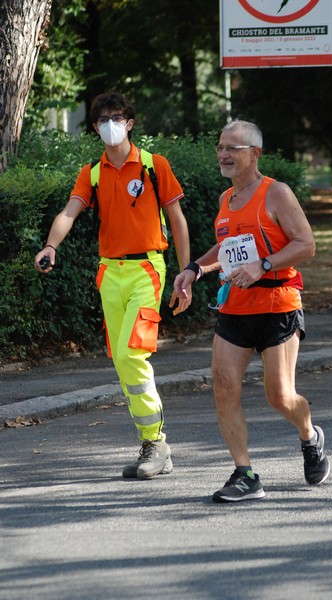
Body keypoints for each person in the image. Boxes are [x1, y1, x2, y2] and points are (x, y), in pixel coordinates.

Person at [170, 120, 330, 502]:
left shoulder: (276, 193)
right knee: (224, 387)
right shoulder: (227, 200)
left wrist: (265, 265)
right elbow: (225, 250)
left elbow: (306, 244)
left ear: (254, 154)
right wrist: (194, 269)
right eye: (221, 147)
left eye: (234, 149)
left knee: (280, 396)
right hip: (235, 310)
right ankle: (245, 474)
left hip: (278, 305)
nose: (224, 154)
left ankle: (310, 434)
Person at [34, 92, 191, 480]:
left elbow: (178, 221)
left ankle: (155, 443)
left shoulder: (154, 166)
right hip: (110, 273)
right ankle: (154, 444)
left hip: (146, 271)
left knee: (131, 355)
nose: (109, 124)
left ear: (130, 122)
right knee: (121, 361)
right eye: (102, 120)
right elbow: (69, 211)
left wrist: (186, 273)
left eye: (116, 117)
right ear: (94, 127)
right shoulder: (93, 172)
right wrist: (51, 245)